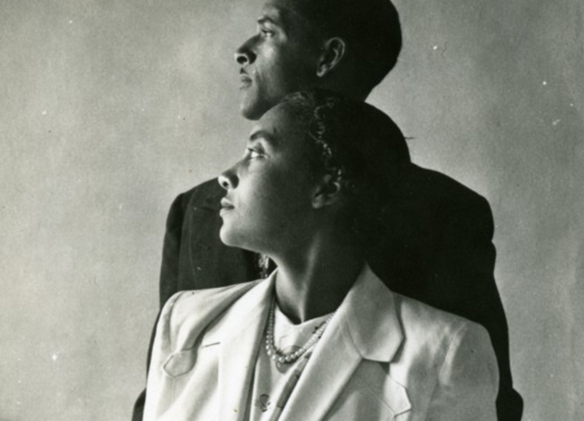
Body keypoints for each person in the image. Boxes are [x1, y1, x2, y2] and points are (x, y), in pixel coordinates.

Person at [133, 0, 522, 420]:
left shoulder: (440, 212)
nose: (243, 52)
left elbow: (477, 390)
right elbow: (162, 392)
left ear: (328, 57)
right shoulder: (199, 212)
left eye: (267, 32)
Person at [143, 90, 500, 421]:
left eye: (257, 153)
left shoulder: (444, 352)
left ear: (327, 186)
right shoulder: (185, 322)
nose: (225, 176)